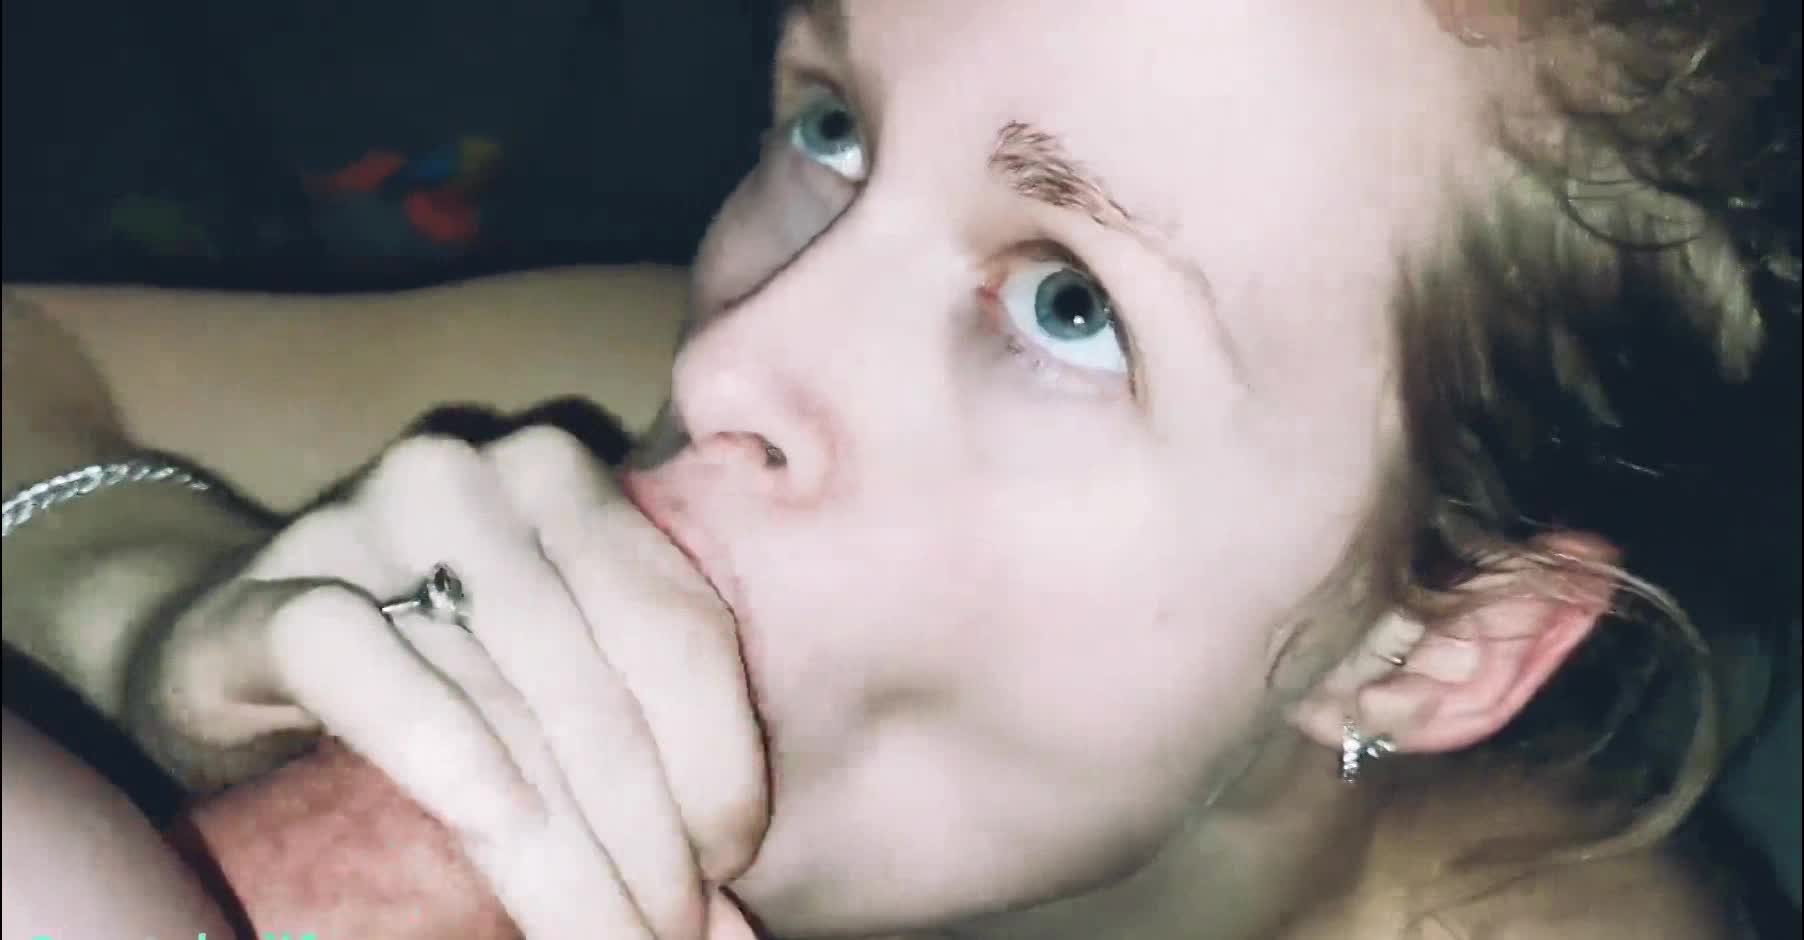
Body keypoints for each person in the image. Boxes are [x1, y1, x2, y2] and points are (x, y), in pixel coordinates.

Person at [2, 0, 1798, 937]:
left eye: (1073, 306)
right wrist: (136, 594)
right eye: (834, 125)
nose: (722, 363)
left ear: (1433, 643)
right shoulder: (613, 386)